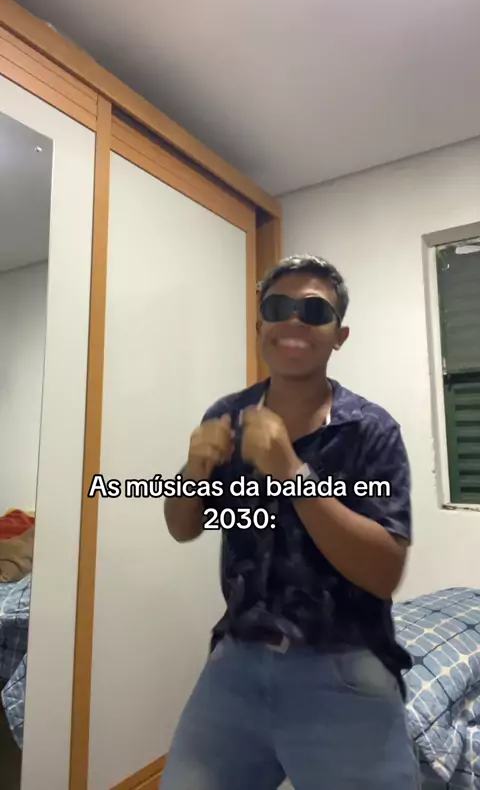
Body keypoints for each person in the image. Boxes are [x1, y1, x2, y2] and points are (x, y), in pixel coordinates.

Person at [162, 254, 417, 790]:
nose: (295, 320)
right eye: (278, 307)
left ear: (339, 336)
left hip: (346, 671)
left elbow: (383, 573)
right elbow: (182, 526)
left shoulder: (372, 430)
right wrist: (193, 470)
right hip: (235, 665)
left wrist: (293, 473)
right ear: (261, 326)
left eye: (315, 311)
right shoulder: (226, 415)